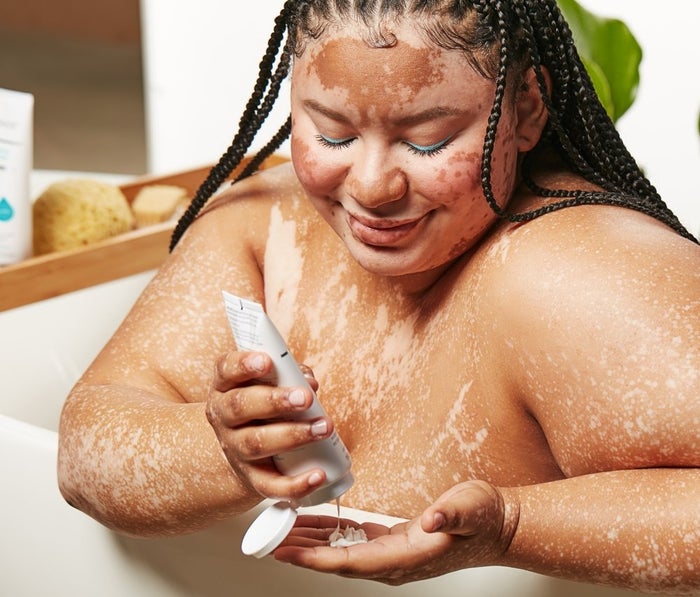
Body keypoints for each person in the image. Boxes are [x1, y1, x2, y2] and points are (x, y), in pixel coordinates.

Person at [57, 0, 699, 594]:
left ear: (526, 109)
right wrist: (227, 448)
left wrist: (513, 525)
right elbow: (85, 456)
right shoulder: (261, 228)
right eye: (332, 134)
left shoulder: (579, 277)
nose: (371, 187)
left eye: (425, 139)